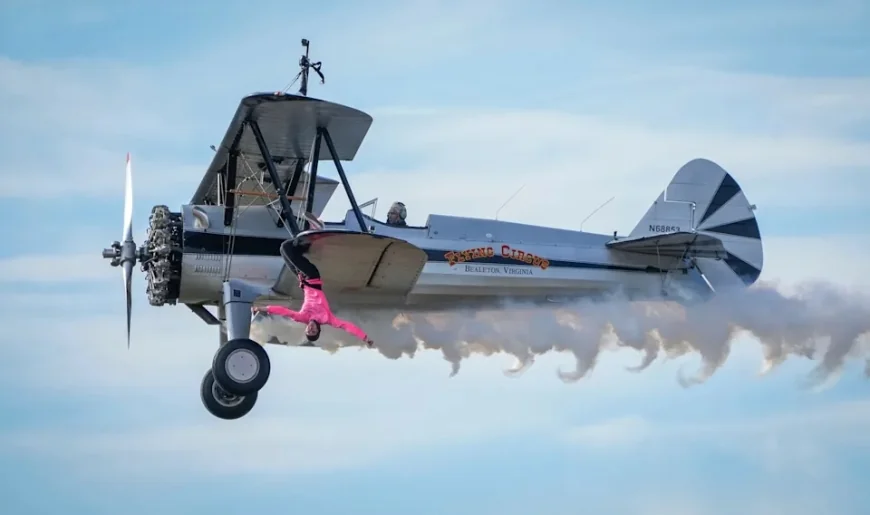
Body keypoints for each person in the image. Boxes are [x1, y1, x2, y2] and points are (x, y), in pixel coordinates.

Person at [252, 240, 374, 347]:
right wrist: (364, 338)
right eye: (314, 331)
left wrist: (261, 308)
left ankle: (305, 248)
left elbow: (283, 311)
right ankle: (310, 243)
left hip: (302, 278)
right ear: (318, 330)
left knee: (283, 250)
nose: (311, 328)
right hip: (312, 276)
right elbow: (348, 327)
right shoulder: (328, 319)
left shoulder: (302, 317)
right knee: (287, 249)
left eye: (308, 331)